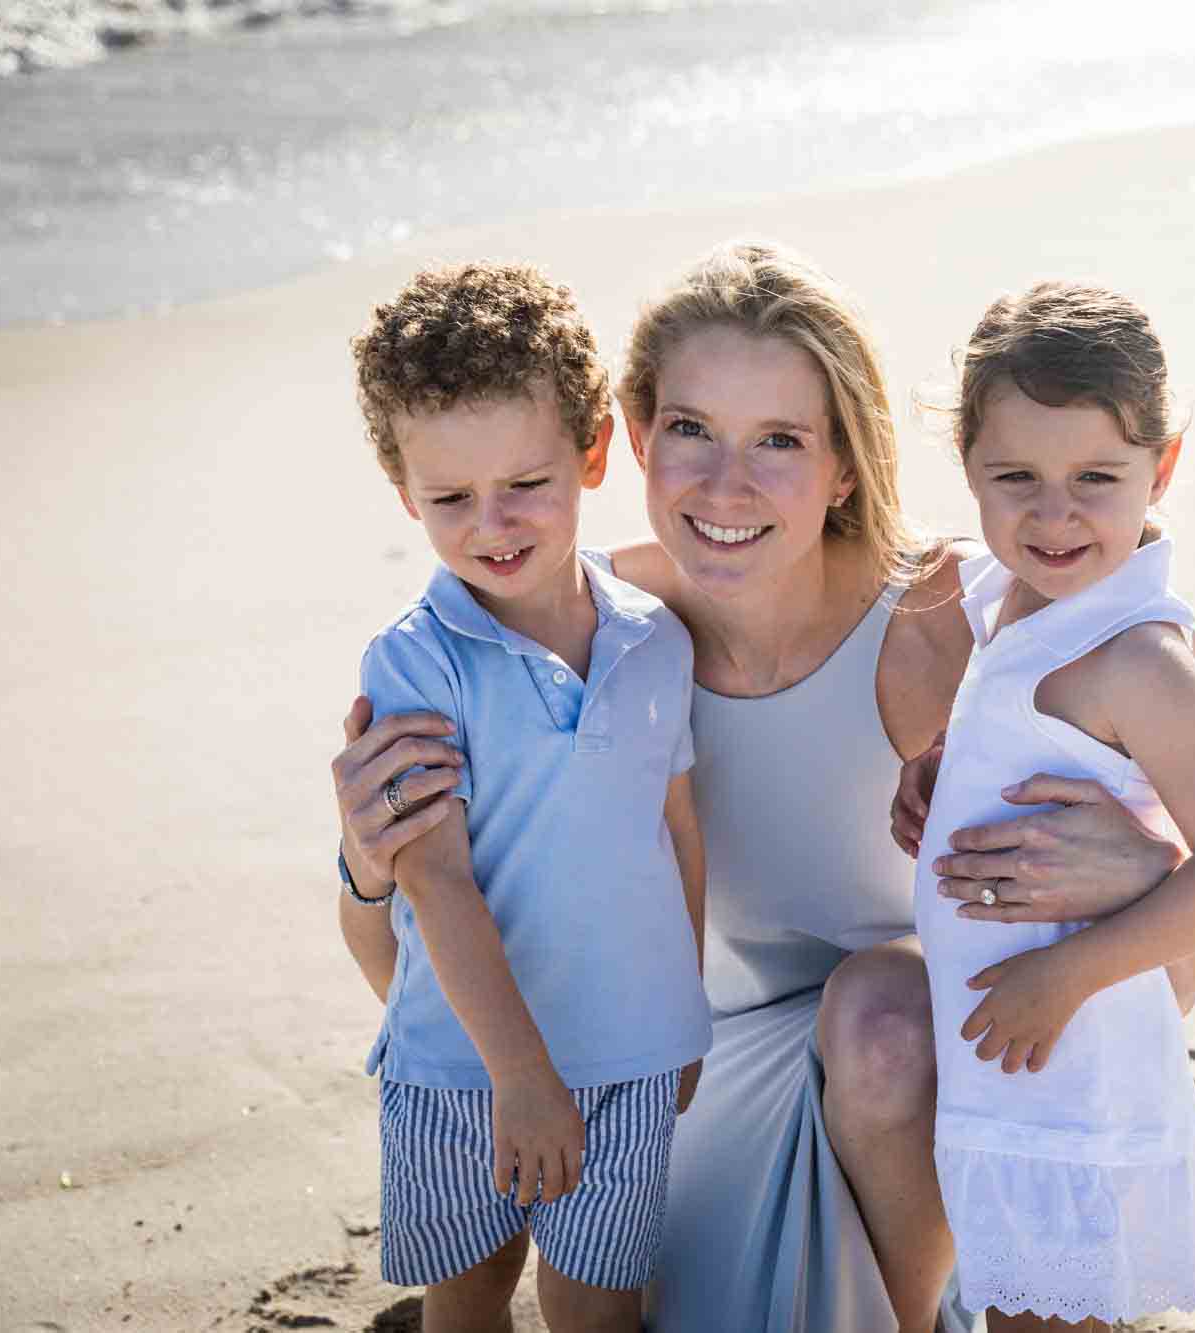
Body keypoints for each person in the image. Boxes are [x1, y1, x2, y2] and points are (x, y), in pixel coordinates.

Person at [330, 241, 1195, 1333]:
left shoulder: (960, 625)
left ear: (845, 463)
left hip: (937, 1097)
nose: (724, 486)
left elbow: (1168, 991)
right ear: (632, 436)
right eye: (691, 429)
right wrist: (370, 873)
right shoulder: (600, 641)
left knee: (882, 1016)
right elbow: (411, 970)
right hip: (686, 1086)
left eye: (779, 441)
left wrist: (1143, 872)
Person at [338, 262, 711, 1333]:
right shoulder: (415, 666)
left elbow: (676, 833)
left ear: (592, 452)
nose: (491, 524)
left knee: (600, 1307)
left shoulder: (655, 640)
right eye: (450, 498)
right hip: (463, 1066)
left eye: (525, 485)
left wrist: (678, 1020)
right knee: (469, 1300)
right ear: (403, 487)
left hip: (630, 1052)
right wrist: (523, 1076)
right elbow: (438, 878)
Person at [901, 282, 1195, 1330]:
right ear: (964, 461)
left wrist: (1063, 974)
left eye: (1095, 479)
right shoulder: (1005, 594)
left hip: (1078, 1063)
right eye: (1012, 476)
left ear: (1164, 465)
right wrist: (939, 757)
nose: (1051, 516)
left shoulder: (1138, 658)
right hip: (1005, 1067)